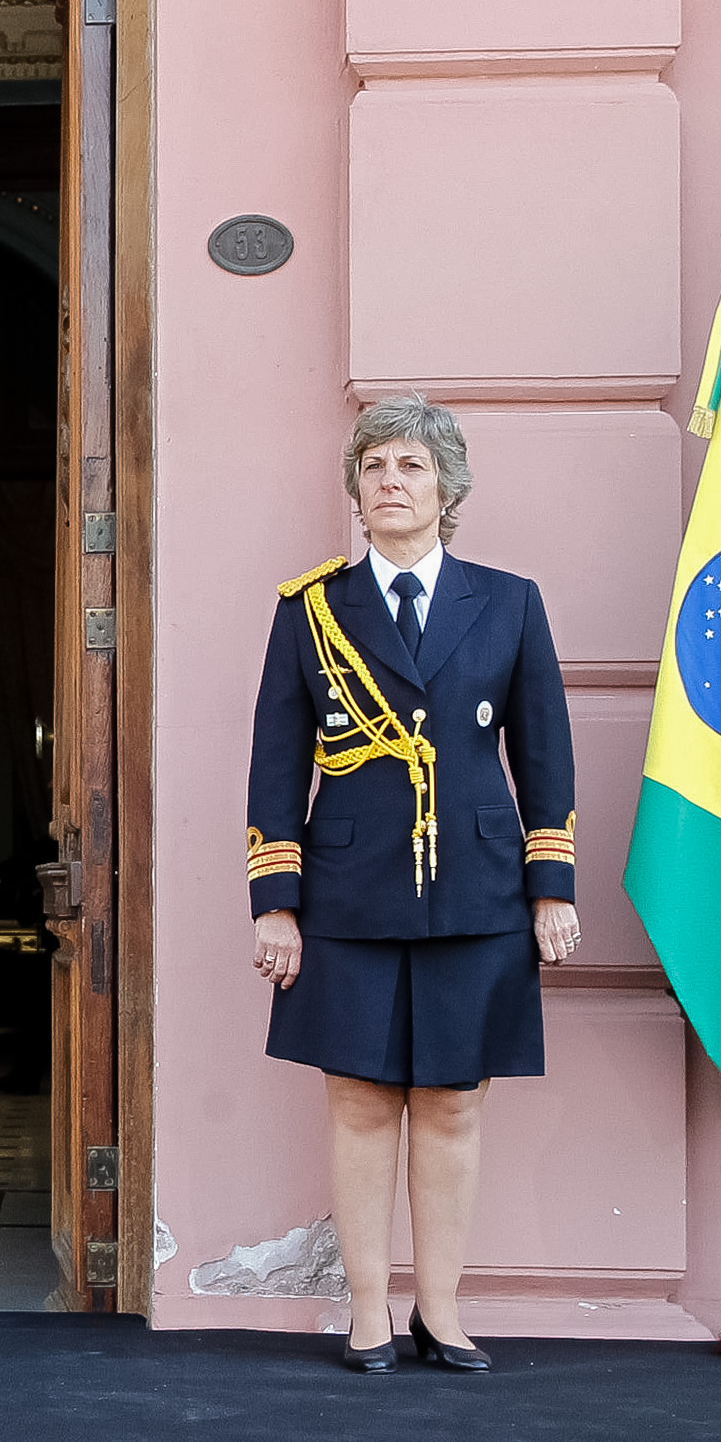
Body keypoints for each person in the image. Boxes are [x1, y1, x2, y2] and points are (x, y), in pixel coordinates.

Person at [246, 394, 578, 1374]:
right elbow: (275, 764)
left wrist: (549, 884)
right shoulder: (308, 609)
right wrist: (275, 902)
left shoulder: (507, 600)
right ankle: (365, 1310)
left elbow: (545, 753)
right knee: (356, 1096)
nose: (390, 481)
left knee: (450, 1101)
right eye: (374, 466)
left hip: (475, 885)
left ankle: (441, 1310)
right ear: (353, 488)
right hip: (346, 888)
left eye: (411, 467)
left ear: (447, 488)